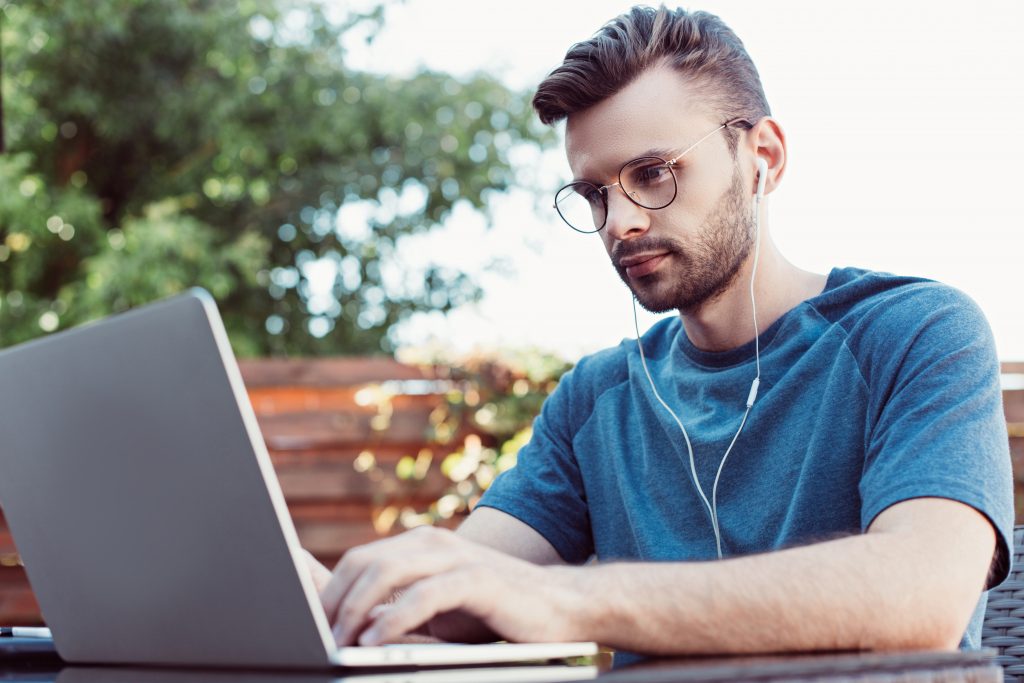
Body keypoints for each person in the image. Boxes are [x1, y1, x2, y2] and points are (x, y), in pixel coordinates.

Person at [306, 5, 1014, 653]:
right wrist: (312, 591)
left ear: (762, 157)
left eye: (652, 173)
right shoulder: (596, 398)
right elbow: (450, 601)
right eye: (594, 194)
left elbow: (921, 595)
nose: (621, 222)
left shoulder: (914, 334)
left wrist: (570, 598)